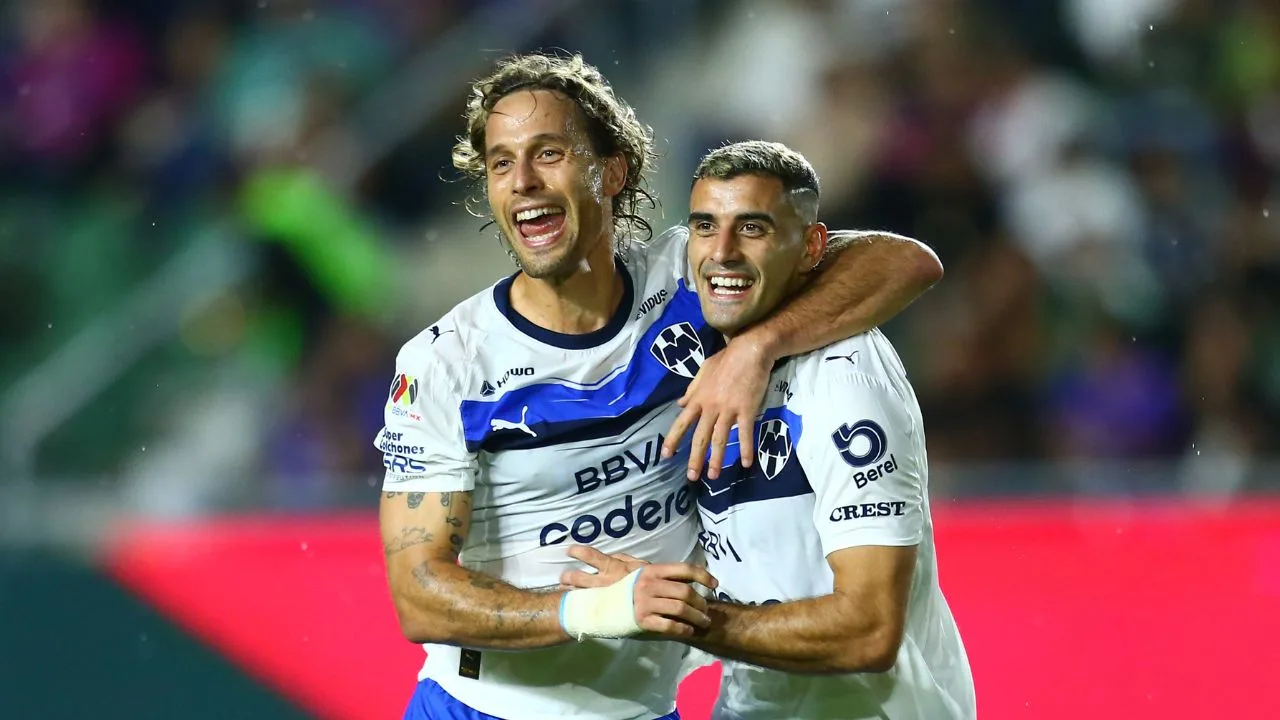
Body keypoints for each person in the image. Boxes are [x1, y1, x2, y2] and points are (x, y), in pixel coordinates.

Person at [376, 53, 944, 720]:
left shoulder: (691, 277)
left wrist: (757, 347)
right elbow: (419, 596)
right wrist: (599, 609)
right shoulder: (444, 364)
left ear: (613, 171)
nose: (523, 181)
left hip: (644, 710)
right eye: (502, 163)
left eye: (549, 153)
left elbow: (904, 260)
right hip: (484, 706)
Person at [565, 141, 975, 719]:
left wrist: (678, 614)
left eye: (752, 228)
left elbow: (868, 630)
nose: (722, 252)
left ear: (811, 247)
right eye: (705, 226)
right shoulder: (701, 344)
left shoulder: (843, 376)